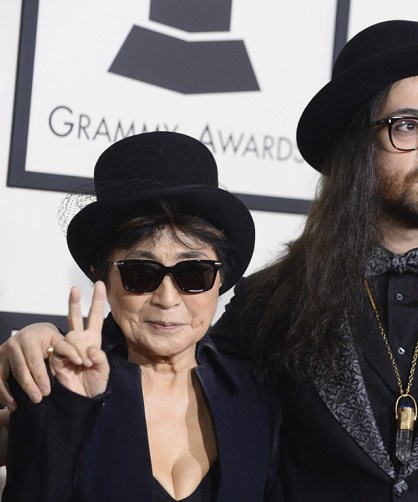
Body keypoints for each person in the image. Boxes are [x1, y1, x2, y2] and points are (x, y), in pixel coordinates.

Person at [0, 20, 418, 501]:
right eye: (408, 126)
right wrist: (37, 349)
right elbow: (163, 342)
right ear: (355, 146)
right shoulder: (271, 301)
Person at [0, 131, 279, 501]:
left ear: (220, 278)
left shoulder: (260, 395)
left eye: (193, 273)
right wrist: (71, 411)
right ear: (102, 277)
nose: (167, 298)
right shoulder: (54, 388)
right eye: (141, 274)